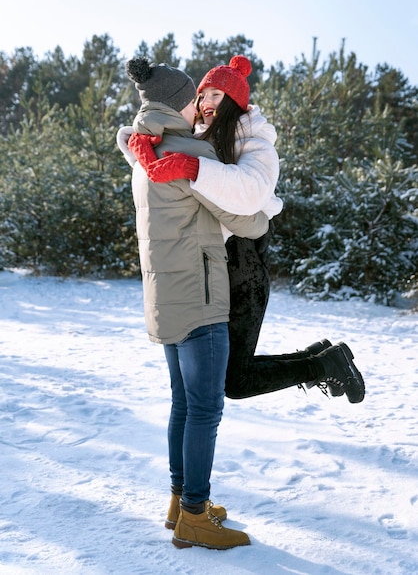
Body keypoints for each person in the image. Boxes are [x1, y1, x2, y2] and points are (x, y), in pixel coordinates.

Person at [120, 56, 365, 404]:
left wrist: (192, 166)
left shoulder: (255, 141)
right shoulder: (204, 136)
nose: (205, 103)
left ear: (235, 100)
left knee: (234, 380)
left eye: (216, 96)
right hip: (214, 261)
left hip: (245, 262)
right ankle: (321, 357)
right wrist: (137, 144)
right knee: (234, 372)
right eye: (202, 96)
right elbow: (166, 175)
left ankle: (323, 364)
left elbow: (249, 191)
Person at [120, 56, 270, 550]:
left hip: (165, 296)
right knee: (205, 410)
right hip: (201, 297)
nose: (199, 108)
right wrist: (265, 215)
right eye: (194, 99)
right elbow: (246, 218)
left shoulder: (149, 150)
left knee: (183, 404)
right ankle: (194, 516)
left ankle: (179, 501)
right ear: (180, 104)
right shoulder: (185, 151)